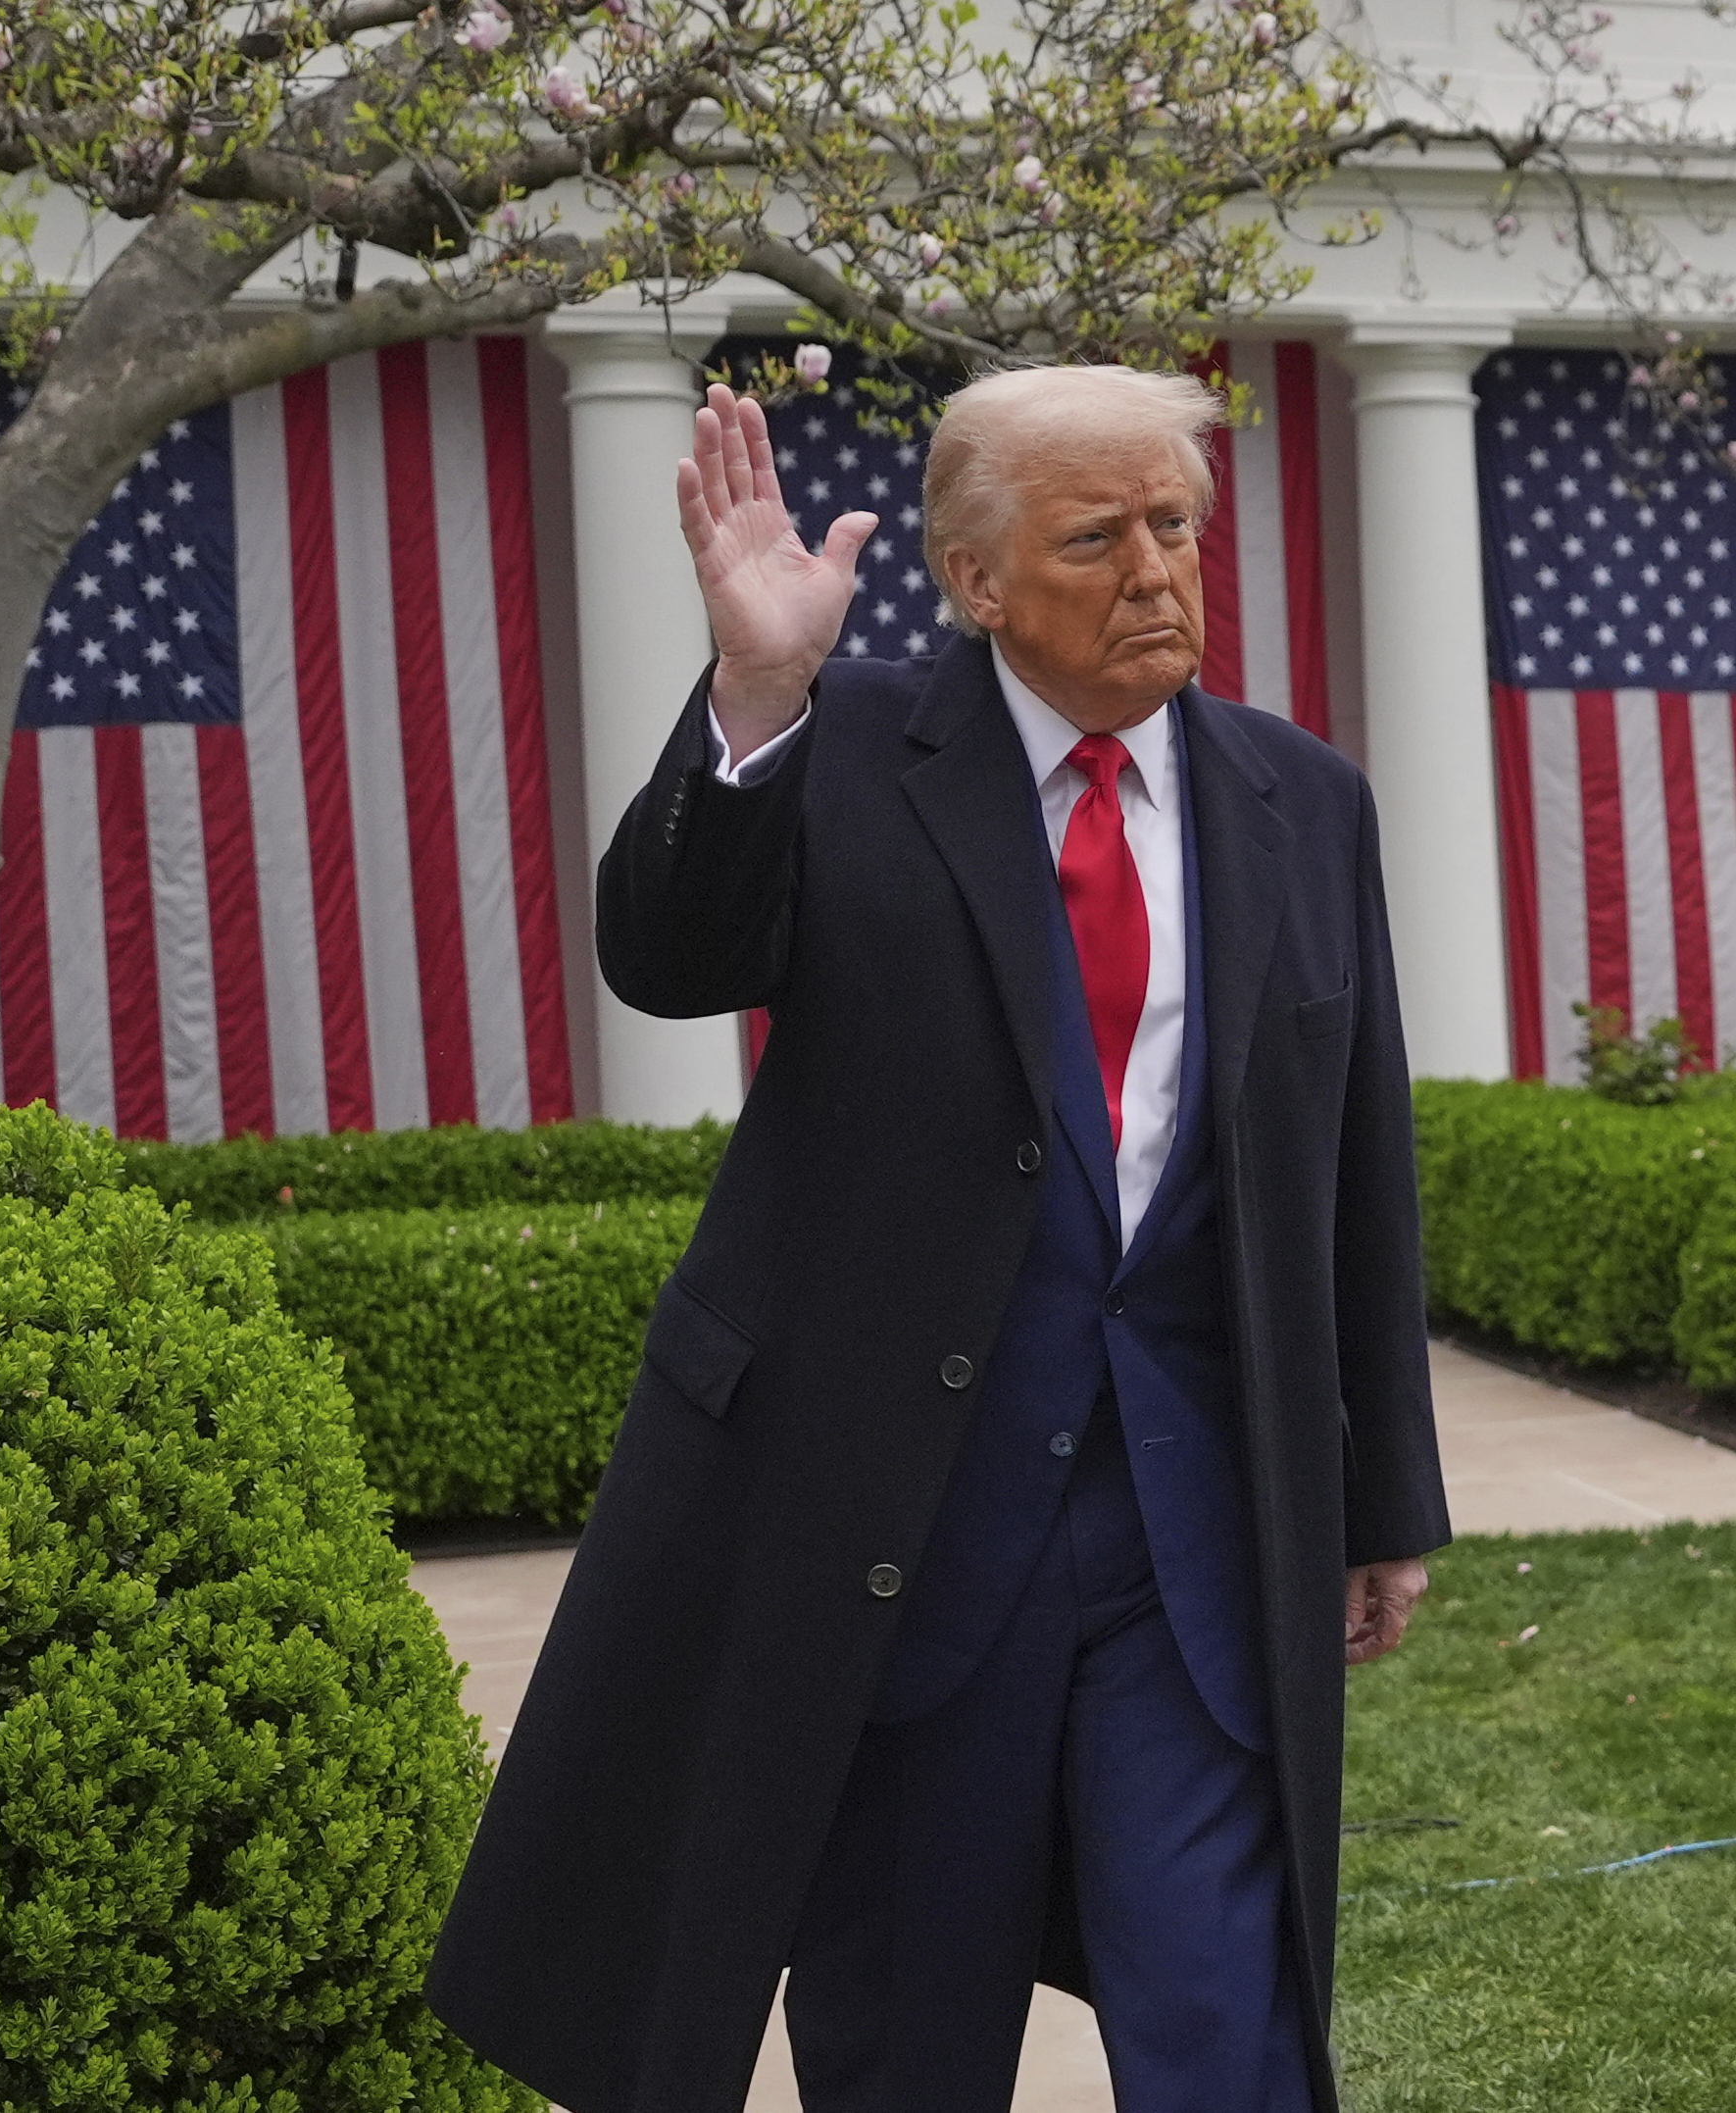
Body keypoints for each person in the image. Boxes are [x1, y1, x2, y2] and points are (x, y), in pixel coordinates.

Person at [426, 370, 1449, 2113]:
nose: (1156, 573)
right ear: (977, 585)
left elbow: (1355, 1165)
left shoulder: (1303, 802)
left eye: (1176, 525)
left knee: (1232, 2025)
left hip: (1191, 1542)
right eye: (1094, 537)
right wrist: (759, 686)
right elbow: (668, 959)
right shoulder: (845, 754)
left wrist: (1382, 1505)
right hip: (902, 1540)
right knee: (909, 2031)